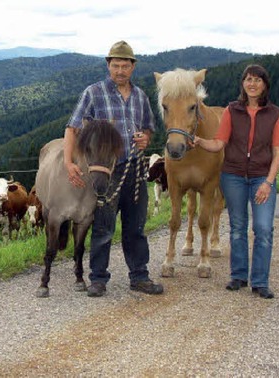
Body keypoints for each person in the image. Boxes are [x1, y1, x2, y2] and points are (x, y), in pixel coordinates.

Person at [64, 40, 163, 297]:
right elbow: (72, 127)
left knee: (135, 228)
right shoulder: (93, 92)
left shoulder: (140, 96)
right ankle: (98, 279)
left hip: (136, 170)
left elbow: (148, 127)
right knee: (103, 227)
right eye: (115, 65)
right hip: (107, 171)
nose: (120, 70)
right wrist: (68, 162)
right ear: (108, 66)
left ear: (133, 67)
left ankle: (139, 276)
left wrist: (146, 138)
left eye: (125, 65)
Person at [194, 64, 279, 299]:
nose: (252, 84)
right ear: (243, 84)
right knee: (237, 227)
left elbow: (277, 152)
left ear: (264, 84)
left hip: (262, 178)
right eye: (248, 79)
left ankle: (260, 281)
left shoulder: (275, 114)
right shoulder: (231, 110)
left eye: (257, 80)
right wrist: (200, 141)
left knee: (263, 228)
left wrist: (268, 182)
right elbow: (219, 143)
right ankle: (238, 276)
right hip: (233, 176)